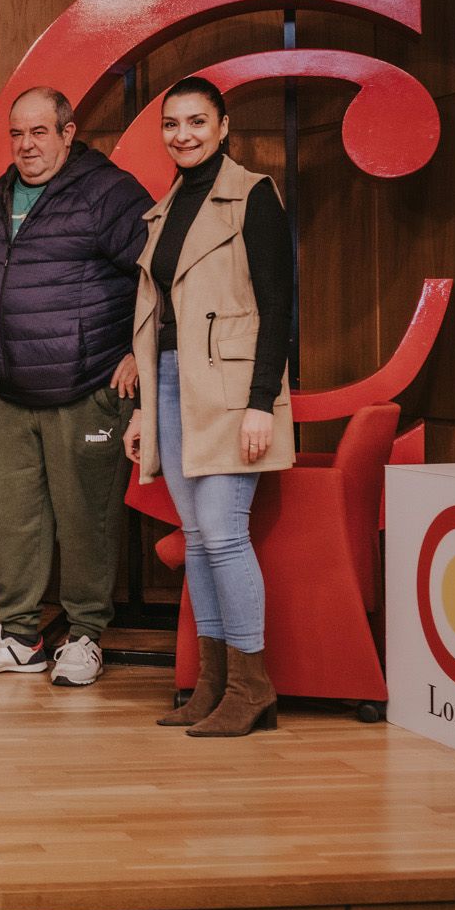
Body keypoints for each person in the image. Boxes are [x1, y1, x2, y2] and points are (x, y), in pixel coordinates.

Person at [0, 86, 152, 687]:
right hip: (7, 391)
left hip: (86, 385)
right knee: (4, 517)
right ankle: (18, 637)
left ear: (69, 133)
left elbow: (162, 273)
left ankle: (87, 635)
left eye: (40, 132)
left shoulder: (109, 193)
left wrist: (138, 354)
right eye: (18, 134)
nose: (27, 145)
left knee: (86, 519)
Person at [123, 76, 293, 736]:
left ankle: (253, 687)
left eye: (197, 121)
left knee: (223, 533)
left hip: (228, 389)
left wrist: (260, 404)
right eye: (172, 123)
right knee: (198, 539)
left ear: (224, 127)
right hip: (171, 381)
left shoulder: (252, 197)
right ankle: (216, 683)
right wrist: (145, 409)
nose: (183, 134)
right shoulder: (168, 206)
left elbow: (278, 308)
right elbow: (157, 318)